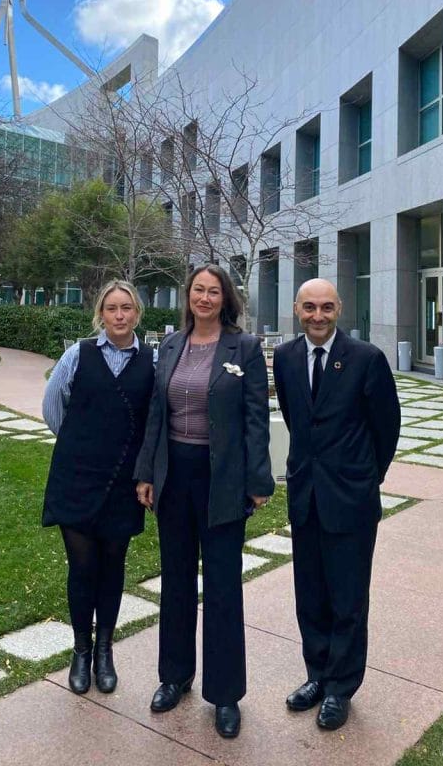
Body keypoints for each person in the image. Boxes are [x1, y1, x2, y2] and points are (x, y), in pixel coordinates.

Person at [135, 265, 274, 739]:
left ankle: (226, 694)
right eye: (198, 289)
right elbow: (156, 412)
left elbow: (257, 418)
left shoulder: (245, 348)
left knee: (221, 587)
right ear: (188, 295)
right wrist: (146, 473)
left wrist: (258, 482)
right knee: (175, 581)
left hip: (224, 483)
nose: (205, 298)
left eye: (214, 291)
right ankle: (174, 676)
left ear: (225, 298)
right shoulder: (170, 345)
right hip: (174, 477)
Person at [272, 278, 400, 730]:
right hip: (306, 495)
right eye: (309, 307)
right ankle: (317, 675)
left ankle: (341, 688)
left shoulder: (367, 359)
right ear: (297, 309)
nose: (318, 316)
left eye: (326, 307)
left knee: (347, 599)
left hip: (351, 500)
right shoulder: (286, 357)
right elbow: (294, 415)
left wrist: (366, 477)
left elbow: (387, 427)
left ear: (339, 308)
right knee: (310, 596)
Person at [42, 280, 155, 697]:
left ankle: (106, 650)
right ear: (101, 314)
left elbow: (153, 418)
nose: (120, 315)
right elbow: (53, 408)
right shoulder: (78, 354)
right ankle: (81, 652)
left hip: (124, 480)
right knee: (82, 568)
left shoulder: (152, 361)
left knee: (112, 568)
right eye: (112, 308)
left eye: (127, 307)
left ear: (137, 313)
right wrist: (81, 443)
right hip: (76, 476)